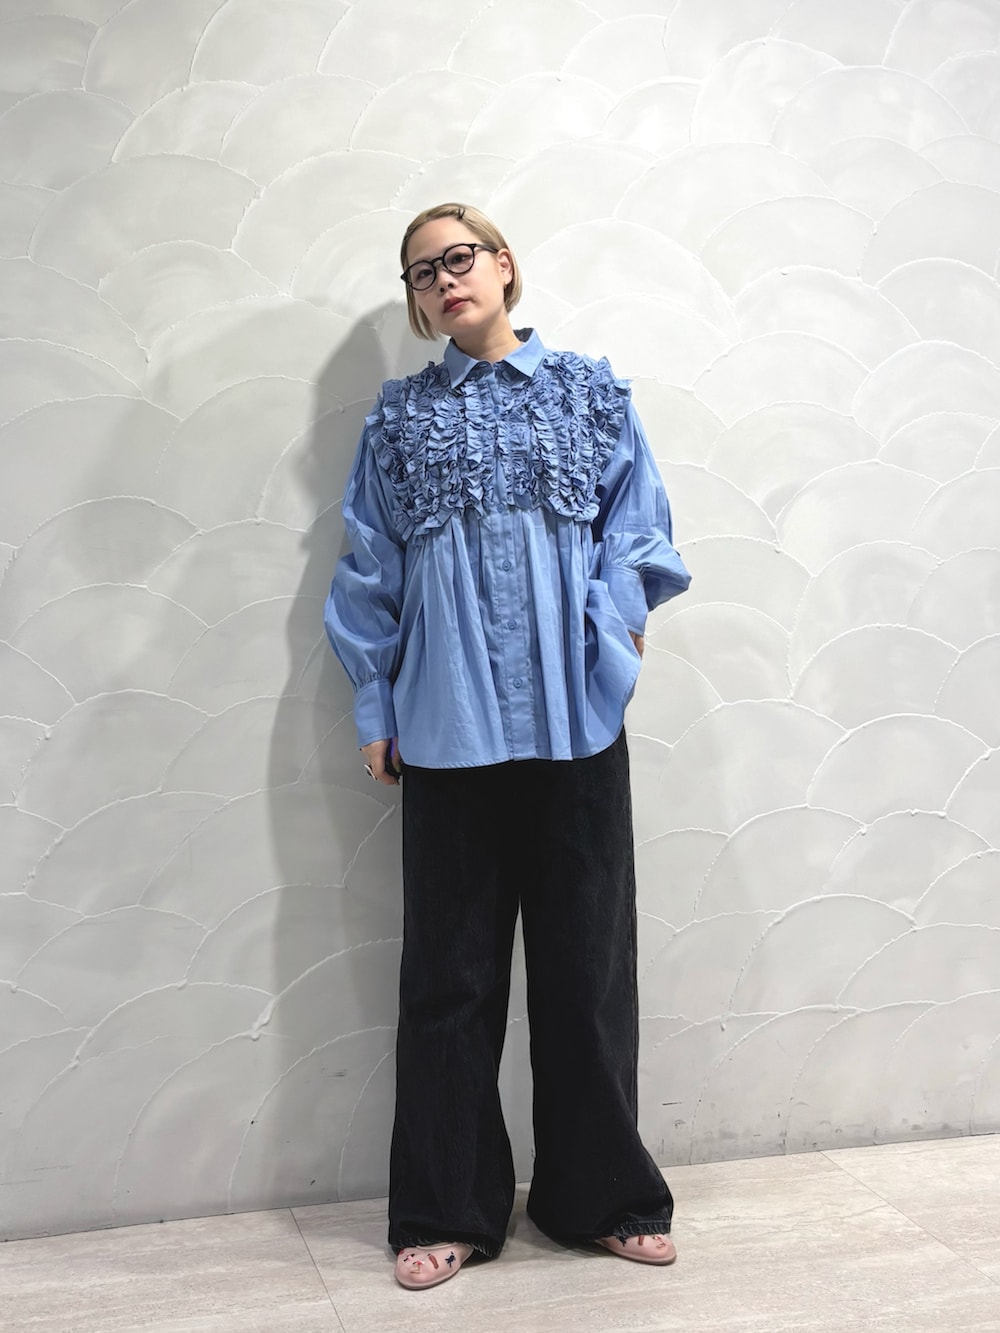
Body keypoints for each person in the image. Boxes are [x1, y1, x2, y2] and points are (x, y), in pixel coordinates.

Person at [324, 202, 691, 1290]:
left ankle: (604, 1196)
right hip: (446, 732)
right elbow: (368, 564)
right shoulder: (399, 422)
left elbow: (639, 524)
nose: (444, 280)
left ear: (502, 264)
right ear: (414, 299)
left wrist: (615, 625)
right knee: (450, 981)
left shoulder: (589, 392)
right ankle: (445, 1207)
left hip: (577, 726)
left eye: (458, 258)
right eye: (420, 272)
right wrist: (375, 704)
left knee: (587, 974)